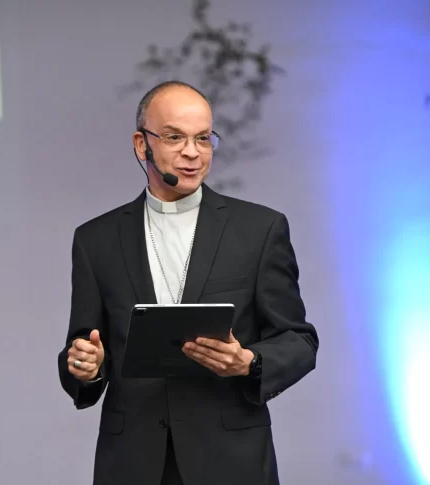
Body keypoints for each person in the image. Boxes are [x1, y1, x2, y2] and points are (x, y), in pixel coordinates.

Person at [57, 80, 318, 485]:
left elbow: (299, 340)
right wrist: (85, 367)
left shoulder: (259, 229)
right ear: (141, 145)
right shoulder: (95, 240)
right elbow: (83, 349)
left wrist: (250, 362)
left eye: (203, 138)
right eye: (175, 137)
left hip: (231, 460)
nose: (193, 152)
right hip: (132, 463)